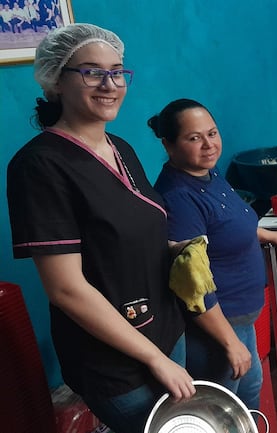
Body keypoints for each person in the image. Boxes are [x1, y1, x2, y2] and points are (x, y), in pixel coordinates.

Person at [5, 23, 195, 433]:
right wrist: (154, 359)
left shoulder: (120, 147)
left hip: (165, 331)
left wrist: (177, 249)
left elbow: (128, 230)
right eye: (91, 71)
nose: (109, 84)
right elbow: (66, 289)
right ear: (56, 80)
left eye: (117, 71)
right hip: (117, 364)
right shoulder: (39, 167)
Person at [149, 98, 277, 411]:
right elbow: (193, 284)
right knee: (221, 410)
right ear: (168, 145)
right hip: (218, 327)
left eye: (213, 133)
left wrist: (268, 234)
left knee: (248, 395)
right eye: (194, 138)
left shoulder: (208, 174)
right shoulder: (178, 198)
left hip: (240, 320)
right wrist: (230, 342)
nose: (209, 145)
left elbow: (227, 223)